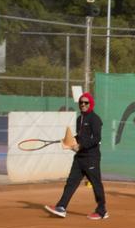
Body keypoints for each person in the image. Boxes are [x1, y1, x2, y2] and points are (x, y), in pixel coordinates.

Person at [44, 91, 107, 220]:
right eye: (81, 102)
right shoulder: (80, 119)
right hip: (80, 158)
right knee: (71, 182)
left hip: (91, 158)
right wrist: (69, 141)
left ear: (91, 104)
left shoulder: (95, 119)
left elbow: (96, 138)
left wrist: (81, 146)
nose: (83, 105)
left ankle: (102, 211)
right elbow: (80, 136)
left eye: (86, 102)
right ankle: (61, 207)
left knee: (96, 184)